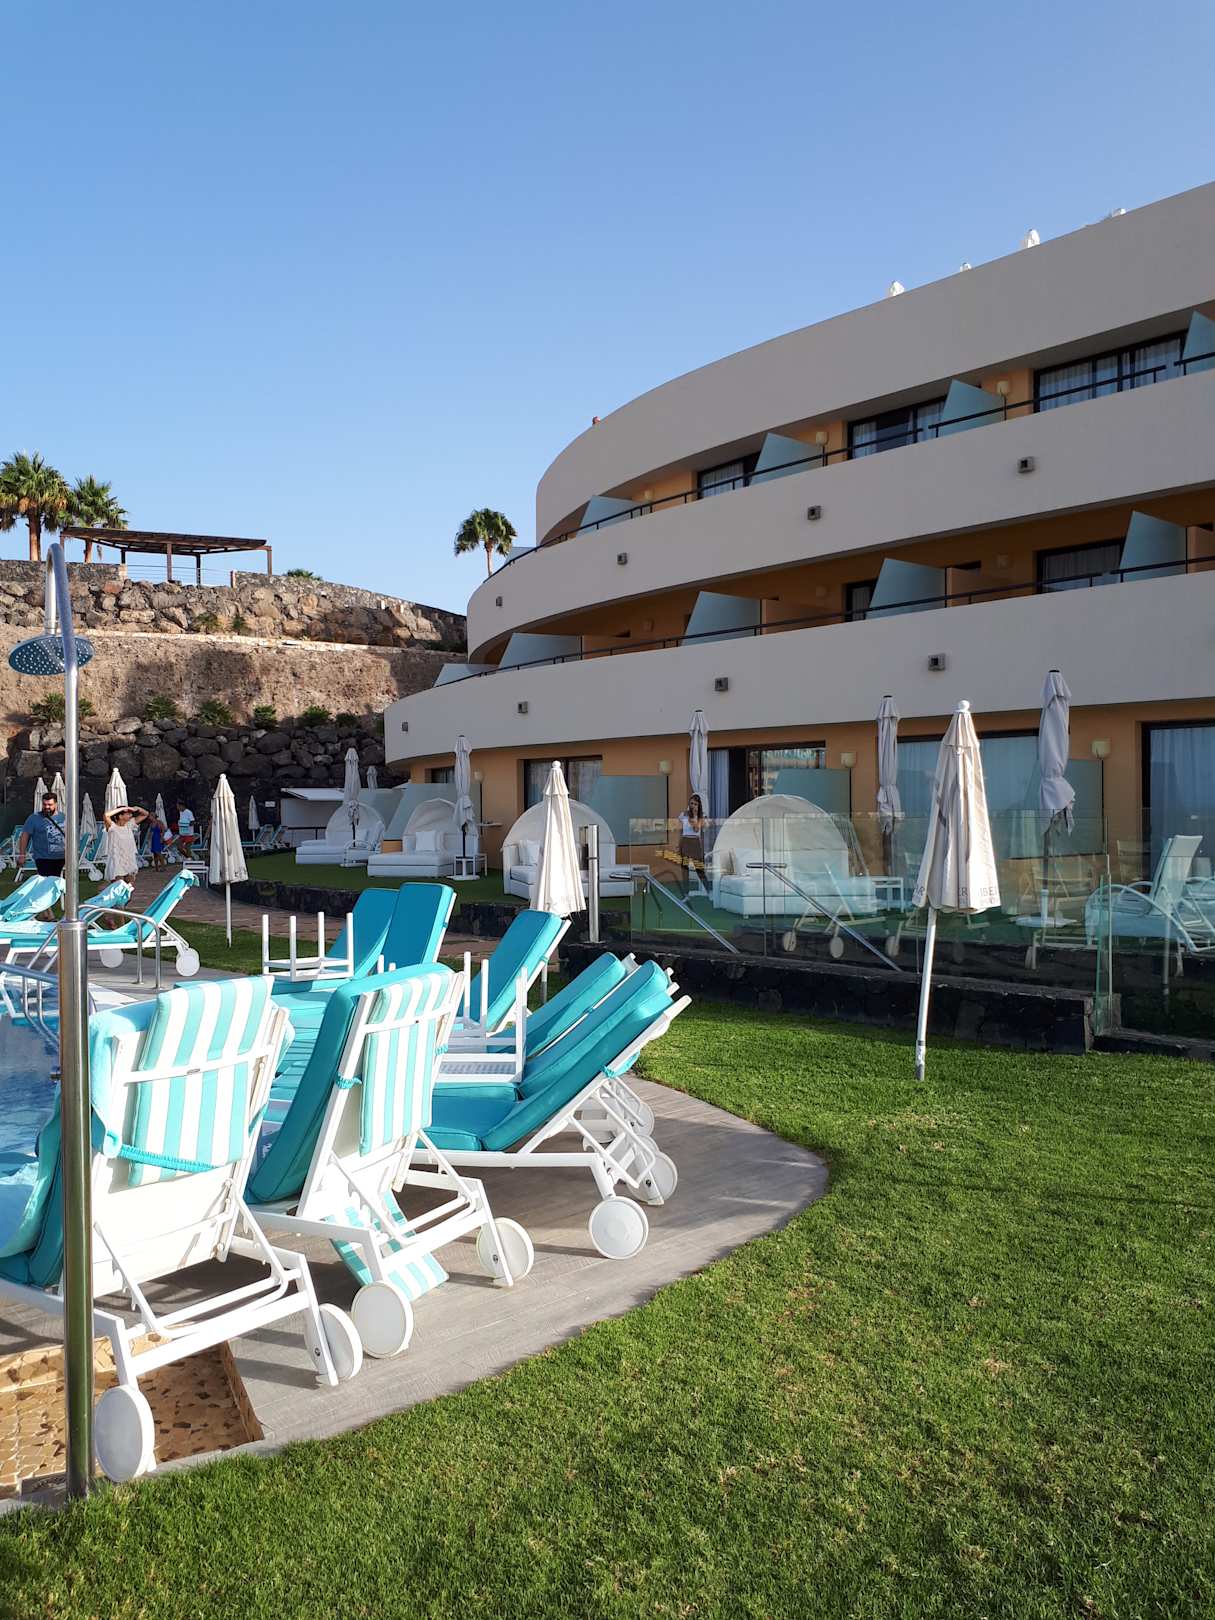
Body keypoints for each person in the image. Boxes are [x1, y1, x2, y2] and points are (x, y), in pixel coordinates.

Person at [17, 791, 67, 878]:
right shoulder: (34, 818)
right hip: (42, 857)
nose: (47, 807)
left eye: (50, 804)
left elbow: (70, 836)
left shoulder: (63, 817)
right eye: (44, 804)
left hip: (61, 857)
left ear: (56, 804)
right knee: (46, 881)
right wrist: (22, 855)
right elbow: (25, 836)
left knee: (57, 880)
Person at [103, 804, 149, 885]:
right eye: (128, 814)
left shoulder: (129, 824)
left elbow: (145, 814)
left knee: (130, 884)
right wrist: (124, 808)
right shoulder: (112, 827)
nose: (131, 815)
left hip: (129, 858)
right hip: (117, 859)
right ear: (120, 816)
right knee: (118, 884)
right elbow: (106, 815)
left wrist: (137, 808)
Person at [678, 794, 707, 893]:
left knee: (699, 869)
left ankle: (709, 892)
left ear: (699, 805)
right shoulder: (683, 815)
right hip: (685, 842)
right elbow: (681, 831)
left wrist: (694, 816)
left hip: (695, 843)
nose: (693, 806)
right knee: (684, 869)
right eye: (691, 803)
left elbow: (696, 830)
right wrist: (679, 844)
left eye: (695, 804)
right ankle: (686, 893)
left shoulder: (701, 816)